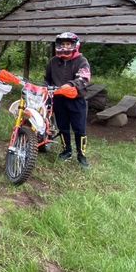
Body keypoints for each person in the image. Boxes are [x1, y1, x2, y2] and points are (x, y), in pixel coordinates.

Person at [45, 32, 91, 169]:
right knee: (63, 127)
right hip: (59, 99)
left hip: (76, 99)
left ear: (74, 45)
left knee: (79, 129)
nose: (65, 47)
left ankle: (82, 155)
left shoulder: (81, 61)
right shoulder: (53, 61)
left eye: (68, 44)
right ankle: (67, 151)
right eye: (63, 44)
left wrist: (71, 85)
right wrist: (45, 88)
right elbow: (47, 79)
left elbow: (84, 78)